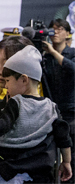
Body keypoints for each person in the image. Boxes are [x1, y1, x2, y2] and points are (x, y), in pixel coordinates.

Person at [0, 46, 73, 183]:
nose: (5, 86)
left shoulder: (16, 102)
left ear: (24, 79)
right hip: (37, 173)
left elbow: (3, 124)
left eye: (8, 81)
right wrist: (67, 162)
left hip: (5, 160)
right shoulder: (51, 107)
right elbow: (63, 137)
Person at [43, 18, 75, 182]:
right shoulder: (45, 57)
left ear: (68, 33)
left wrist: (53, 52)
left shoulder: (72, 53)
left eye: (60, 29)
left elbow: (72, 69)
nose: (55, 32)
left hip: (70, 112)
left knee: (71, 155)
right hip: (50, 111)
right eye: (52, 29)